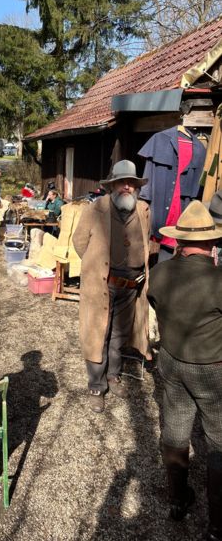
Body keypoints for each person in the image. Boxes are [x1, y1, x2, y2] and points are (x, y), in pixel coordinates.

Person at [147, 201, 222, 539]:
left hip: (171, 360)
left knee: (176, 428)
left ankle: (177, 501)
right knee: (219, 439)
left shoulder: (160, 272)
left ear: (178, 240)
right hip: (212, 369)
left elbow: (154, 302)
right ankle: (217, 524)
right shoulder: (218, 280)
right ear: (213, 241)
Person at [72, 160, 151, 413]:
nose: (126, 187)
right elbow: (79, 242)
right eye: (121, 182)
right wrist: (95, 269)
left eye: (131, 183)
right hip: (102, 284)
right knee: (97, 333)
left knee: (119, 334)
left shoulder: (143, 210)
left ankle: (113, 375)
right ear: (112, 185)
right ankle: (96, 386)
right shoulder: (95, 209)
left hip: (131, 286)